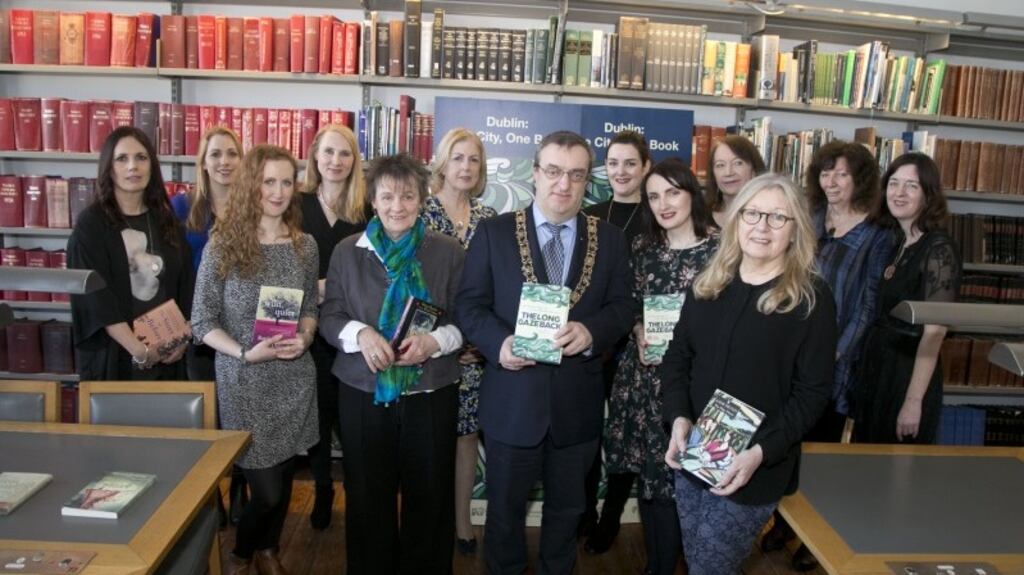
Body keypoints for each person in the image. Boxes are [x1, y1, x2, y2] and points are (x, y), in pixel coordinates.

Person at [455, 131, 634, 575]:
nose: (563, 185)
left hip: (577, 409)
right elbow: (469, 306)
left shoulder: (609, 239)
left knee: (566, 516)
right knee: (503, 517)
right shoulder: (495, 233)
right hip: (513, 405)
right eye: (553, 171)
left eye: (575, 175)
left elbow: (624, 306)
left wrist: (591, 331)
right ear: (535, 174)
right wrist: (500, 344)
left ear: (586, 181)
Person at [662, 173, 837, 575]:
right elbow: (677, 358)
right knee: (698, 562)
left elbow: (813, 393)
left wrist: (760, 452)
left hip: (756, 467)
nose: (762, 226)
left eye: (778, 218)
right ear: (736, 219)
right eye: (753, 213)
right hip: (694, 453)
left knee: (709, 567)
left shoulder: (811, 299)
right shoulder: (708, 283)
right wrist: (678, 418)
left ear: (795, 231)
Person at [319, 153, 466, 575]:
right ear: (373, 199)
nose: (397, 206)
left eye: (407, 196)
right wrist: (361, 335)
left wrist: (434, 342)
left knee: (430, 496)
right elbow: (330, 317)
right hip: (363, 392)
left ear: (422, 199)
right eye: (387, 196)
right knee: (366, 497)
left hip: (431, 392)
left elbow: (466, 319)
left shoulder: (448, 251)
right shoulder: (348, 252)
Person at [191, 144, 319, 575]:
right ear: (251, 185)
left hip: (293, 377)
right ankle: (242, 553)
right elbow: (201, 321)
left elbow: (309, 310)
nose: (279, 191)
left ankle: (268, 549)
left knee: (282, 483)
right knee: (264, 489)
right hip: (244, 378)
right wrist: (246, 353)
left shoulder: (305, 246)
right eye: (269, 181)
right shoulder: (223, 244)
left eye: (287, 182)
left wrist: (305, 336)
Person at [765, 141, 893, 570]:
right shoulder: (811, 219)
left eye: (842, 174)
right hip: (790, 349)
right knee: (787, 443)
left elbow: (869, 306)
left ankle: (813, 537)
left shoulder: (877, 233)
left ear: (860, 180)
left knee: (820, 448)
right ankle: (782, 523)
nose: (832, 182)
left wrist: (836, 351)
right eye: (825, 173)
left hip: (836, 360)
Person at [603, 158, 718, 575]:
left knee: (682, 483)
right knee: (650, 481)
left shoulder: (723, 252)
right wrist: (636, 329)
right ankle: (658, 563)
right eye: (654, 196)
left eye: (672, 192)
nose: (664, 203)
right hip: (643, 381)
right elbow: (630, 307)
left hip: (693, 386)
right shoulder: (643, 249)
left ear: (692, 193)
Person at [421, 127, 496, 556]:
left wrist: (479, 339)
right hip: (430, 344)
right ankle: (430, 522)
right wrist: (446, 337)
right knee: (431, 439)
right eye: (458, 158)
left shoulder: (490, 220)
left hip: (476, 351)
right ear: (442, 164)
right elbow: (417, 285)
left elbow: (496, 286)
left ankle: (463, 524)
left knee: (467, 437)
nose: (465, 167)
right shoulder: (421, 213)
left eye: (473, 160)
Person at [68, 126, 192, 381]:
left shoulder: (167, 221)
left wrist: (182, 340)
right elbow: (95, 301)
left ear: (152, 166)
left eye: (141, 158)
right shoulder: (91, 225)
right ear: (108, 168)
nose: (133, 166)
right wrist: (140, 351)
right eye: (122, 158)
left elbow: (186, 286)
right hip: (116, 358)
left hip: (168, 358)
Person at [579, 130, 652, 554]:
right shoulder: (590, 213)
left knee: (626, 437)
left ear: (645, 168)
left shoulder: (658, 213)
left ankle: (610, 521)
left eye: (630, 163)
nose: (621, 171)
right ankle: (583, 513)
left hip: (640, 347)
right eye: (613, 162)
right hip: (594, 341)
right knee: (587, 433)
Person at [855, 152, 961, 445]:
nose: (899, 193)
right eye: (894, 183)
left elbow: (935, 332)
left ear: (928, 195)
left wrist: (913, 401)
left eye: (911, 186)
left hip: (908, 375)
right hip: (878, 369)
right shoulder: (897, 243)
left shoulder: (938, 249)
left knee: (898, 473)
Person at [170, 126, 248, 526]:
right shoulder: (183, 209)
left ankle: (238, 494)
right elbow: (171, 270)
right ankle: (209, 502)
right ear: (203, 162)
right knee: (209, 418)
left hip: (239, 330)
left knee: (238, 418)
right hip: (199, 330)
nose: (224, 162)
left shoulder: (252, 210)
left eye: (232, 154)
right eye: (215, 154)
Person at [299, 123, 369, 530]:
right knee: (318, 418)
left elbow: (376, 271)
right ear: (315, 156)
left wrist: (334, 289)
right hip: (305, 329)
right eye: (328, 152)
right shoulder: (297, 204)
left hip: (350, 329)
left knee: (352, 417)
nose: (336, 161)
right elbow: (282, 264)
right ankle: (323, 488)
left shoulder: (367, 209)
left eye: (344, 154)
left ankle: (359, 494)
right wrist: (315, 288)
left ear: (354, 161)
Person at [706, 135, 766, 229]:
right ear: (713, 174)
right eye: (720, 165)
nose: (728, 172)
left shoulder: (766, 217)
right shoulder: (700, 219)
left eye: (738, 163)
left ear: (754, 170)